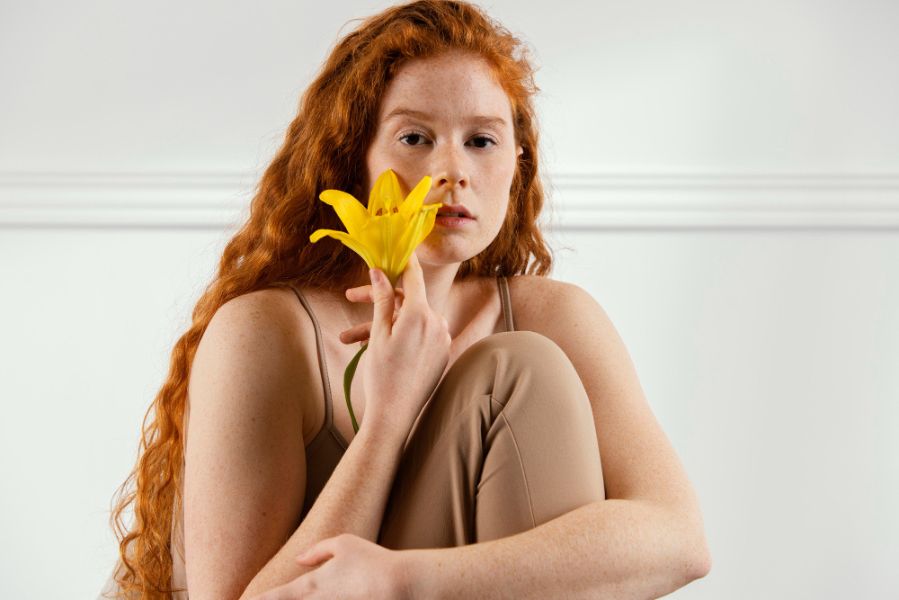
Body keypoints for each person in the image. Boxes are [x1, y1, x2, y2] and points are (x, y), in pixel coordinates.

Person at [100, 1, 711, 598]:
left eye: (482, 141)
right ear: (353, 162)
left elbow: (680, 541)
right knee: (518, 370)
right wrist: (386, 420)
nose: (452, 171)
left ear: (518, 164)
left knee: (526, 365)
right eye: (415, 138)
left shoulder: (557, 316)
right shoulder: (265, 331)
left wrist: (402, 580)